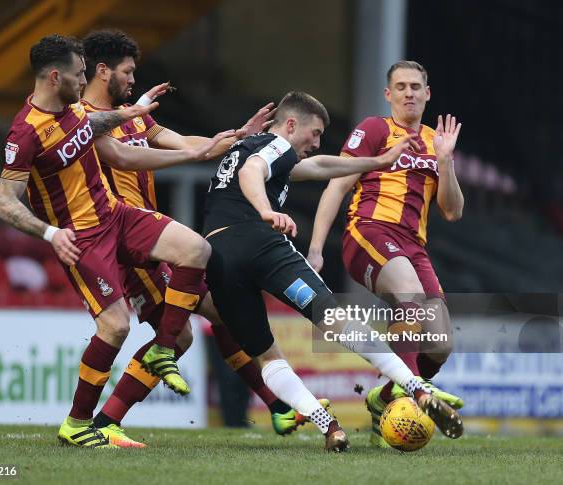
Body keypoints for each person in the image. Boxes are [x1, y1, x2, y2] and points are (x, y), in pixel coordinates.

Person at [79, 29, 321, 446]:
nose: (134, 80)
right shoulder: (85, 119)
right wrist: (194, 153)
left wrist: (235, 138)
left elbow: (187, 143)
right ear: (102, 72)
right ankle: (105, 421)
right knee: (183, 334)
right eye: (128, 71)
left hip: (148, 230)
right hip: (119, 239)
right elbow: (127, 156)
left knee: (223, 308)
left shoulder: (135, 115)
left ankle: (277, 406)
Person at [0, 34, 233, 448]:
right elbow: (3, 201)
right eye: (78, 73)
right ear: (55, 77)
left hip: (115, 214)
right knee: (116, 325)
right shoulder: (25, 133)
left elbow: (93, 127)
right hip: (82, 237)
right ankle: (77, 422)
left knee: (196, 249)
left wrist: (134, 113)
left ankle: (162, 348)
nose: (85, 78)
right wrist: (51, 234)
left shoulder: (72, 109)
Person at [200, 91, 464, 451]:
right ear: (291, 124)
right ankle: (415, 387)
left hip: (219, 255)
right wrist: (265, 210)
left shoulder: (247, 147)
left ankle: (330, 428)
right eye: (315, 132)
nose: (316, 142)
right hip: (259, 241)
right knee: (335, 320)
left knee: (266, 355)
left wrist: (377, 161)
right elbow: (253, 172)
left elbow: (321, 167)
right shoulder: (274, 144)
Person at [308, 60, 465, 448]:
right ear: (388, 94)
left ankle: (386, 398)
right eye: (401, 87)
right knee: (409, 294)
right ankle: (416, 394)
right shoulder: (375, 129)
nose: (409, 93)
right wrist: (314, 249)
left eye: (416, 86)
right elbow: (336, 186)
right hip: (369, 232)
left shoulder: (434, 140)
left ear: (427, 94)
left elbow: (453, 210)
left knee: (441, 344)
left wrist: (445, 163)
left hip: (414, 246)